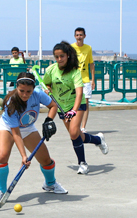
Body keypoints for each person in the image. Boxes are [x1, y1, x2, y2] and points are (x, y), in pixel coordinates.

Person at [0, 72, 67, 202]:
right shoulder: (11, 102)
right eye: (21, 91)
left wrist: (49, 120)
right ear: (16, 87)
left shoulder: (38, 94)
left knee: (45, 159)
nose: (25, 94)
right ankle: (0, 190)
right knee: (2, 156)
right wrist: (23, 156)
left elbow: (53, 106)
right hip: (8, 128)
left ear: (33, 89)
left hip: (28, 127)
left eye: (28, 91)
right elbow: (16, 133)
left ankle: (50, 184)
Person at [42, 41, 108, 175]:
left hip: (77, 105)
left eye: (62, 56)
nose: (59, 59)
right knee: (77, 135)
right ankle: (98, 139)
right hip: (61, 106)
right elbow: (46, 83)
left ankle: (82, 163)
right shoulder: (51, 70)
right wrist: (47, 89)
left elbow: (79, 93)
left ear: (67, 56)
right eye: (57, 57)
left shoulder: (74, 72)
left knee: (73, 133)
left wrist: (74, 110)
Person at [71, 27, 95, 133]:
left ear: (84, 36)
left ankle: (83, 127)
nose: (79, 37)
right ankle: (75, 125)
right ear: (75, 36)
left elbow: (91, 64)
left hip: (85, 79)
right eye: (77, 35)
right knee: (74, 102)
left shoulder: (88, 48)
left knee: (85, 102)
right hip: (74, 79)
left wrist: (93, 80)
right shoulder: (71, 48)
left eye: (81, 35)